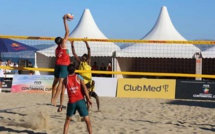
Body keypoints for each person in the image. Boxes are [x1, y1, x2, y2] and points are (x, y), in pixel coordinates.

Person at [58, 64, 92, 134]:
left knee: (67, 120)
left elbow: (62, 93)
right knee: (87, 120)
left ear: (67, 70)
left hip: (71, 102)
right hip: (80, 101)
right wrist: (88, 99)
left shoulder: (65, 79)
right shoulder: (79, 77)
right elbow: (85, 88)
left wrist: (61, 105)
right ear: (75, 70)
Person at [51, 14, 73, 106]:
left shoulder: (57, 48)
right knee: (61, 83)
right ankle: (54, 99)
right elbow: (67, 31)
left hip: (57, 65)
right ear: (61, 40)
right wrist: (64, 20)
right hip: (64, 66)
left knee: (55, 84)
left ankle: (52, 100)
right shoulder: (63, 44)